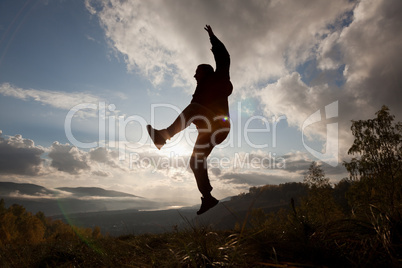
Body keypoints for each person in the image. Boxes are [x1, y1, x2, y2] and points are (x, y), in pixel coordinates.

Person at [147, 25, 232, 215]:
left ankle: (163, 136)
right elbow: (192, 117)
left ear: (206, 72)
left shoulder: (218, 78)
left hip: (219, 126)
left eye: (197, 72)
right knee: (195, 162)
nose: (194, 75)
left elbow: (224, 58)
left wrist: (213, 38)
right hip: (206, 132)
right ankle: (208, 198)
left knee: (194, 109)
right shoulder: (198, 94)